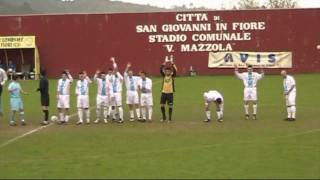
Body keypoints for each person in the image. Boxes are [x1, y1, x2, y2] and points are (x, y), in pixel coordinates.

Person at [109, 57, 124, 123]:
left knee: (119, 106)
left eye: (115, 70)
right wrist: (111, 94)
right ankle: (114, 117)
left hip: (118, 93)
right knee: (113, 106)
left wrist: (114, 61)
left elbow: (122, 79)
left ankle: (121, 118)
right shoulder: (111, 76)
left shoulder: (119, 75)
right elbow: (110, 84)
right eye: (114, 70)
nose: (114, 71)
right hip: (113, 93)